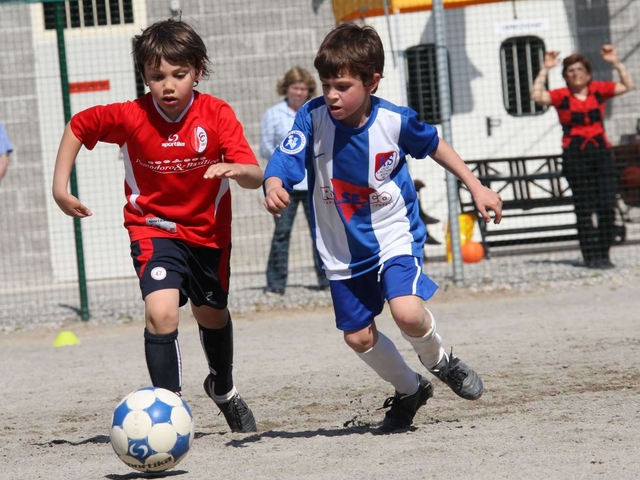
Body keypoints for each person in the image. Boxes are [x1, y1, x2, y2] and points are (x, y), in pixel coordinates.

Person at [263, 23, 503, 432]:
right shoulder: (312, 116)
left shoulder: (395, 121)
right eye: (326, 84)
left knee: (407, 312)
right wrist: (273, 182)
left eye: (342, 85)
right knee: (357, 338)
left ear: (373, 81)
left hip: (394, 232)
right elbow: (287, 158)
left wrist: (476, 184)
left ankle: (441, 361)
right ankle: (411, 390)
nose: (332, 94)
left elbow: (437, 146)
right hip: (341, 248)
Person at [52, 18, 262, 433]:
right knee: (160, 313)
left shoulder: (217, 114)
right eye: (156, 76)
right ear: (144, 77)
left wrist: (236, 170)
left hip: (208, 235)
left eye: (178, 75)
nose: (167, 86)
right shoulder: (132, 115)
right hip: (153, 229)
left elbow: (255, 173)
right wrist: (61, 189)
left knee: (211, 315)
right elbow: (78, 125)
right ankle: (171, 412)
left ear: (198, 70)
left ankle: (223, 388)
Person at [530, 45, 635, 269]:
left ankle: (604, 253)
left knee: (607, 205)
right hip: (575, 157)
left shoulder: (599, 90)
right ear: (565, 76)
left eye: (580, 69)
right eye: (570, 71)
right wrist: (545, 69)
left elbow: (629, 85)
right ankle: (590, 256)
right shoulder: (561, 96)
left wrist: (615, 62)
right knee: (584, 208)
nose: (576, 73)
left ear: (588, 74)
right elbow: (536, 95)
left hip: (601, 155)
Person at [260, 66, 330, 295]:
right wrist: (285, 163)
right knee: (282, 233)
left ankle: (326, 279)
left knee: (320, 231)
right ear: (286, 89)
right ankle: (276, 283)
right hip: (285, 185)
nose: (299, 93)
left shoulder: (318, 111)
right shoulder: (273, 114)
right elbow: (266, 147)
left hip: (314, 182)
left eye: (303, 89)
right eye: (295, 88)